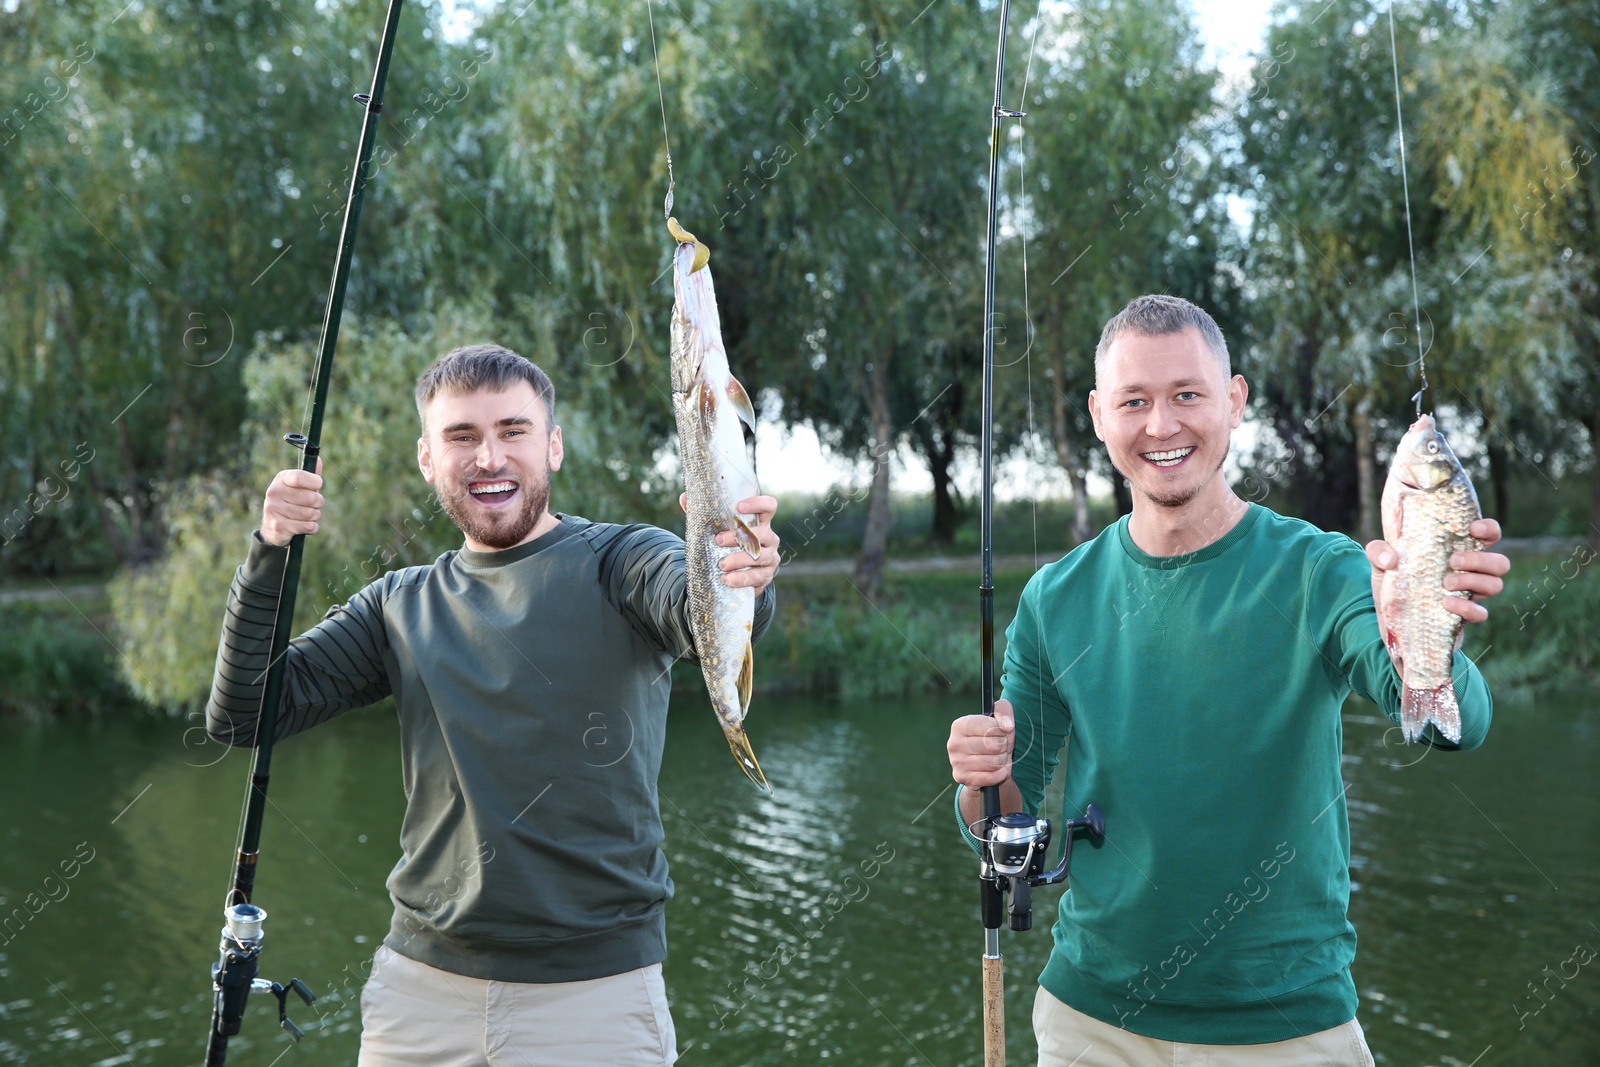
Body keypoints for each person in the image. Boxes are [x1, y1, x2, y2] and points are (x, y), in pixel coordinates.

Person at [945, 295, 1509, 1067]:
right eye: (1134, 401)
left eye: (1187, 395)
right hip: (1092, 1022)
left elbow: (1456, 723)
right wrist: (982, 779)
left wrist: (1428, 613)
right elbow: (1001, 822)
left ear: (1235, 401)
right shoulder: (1055, 597)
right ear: (1098, 415)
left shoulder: (1324, 570)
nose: (1162, 425)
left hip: (1287, 1026)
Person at [206, 344, 780, 1067]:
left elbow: (708, 620)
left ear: (554, 446)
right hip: (418, 999)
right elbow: (243, 715)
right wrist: (269, 549)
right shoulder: (397, 606)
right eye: (462, 437)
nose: (489, 457)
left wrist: (734, 567)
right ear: (426, 459)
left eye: (513, 431)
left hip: (594, 1001)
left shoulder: (622, 561)